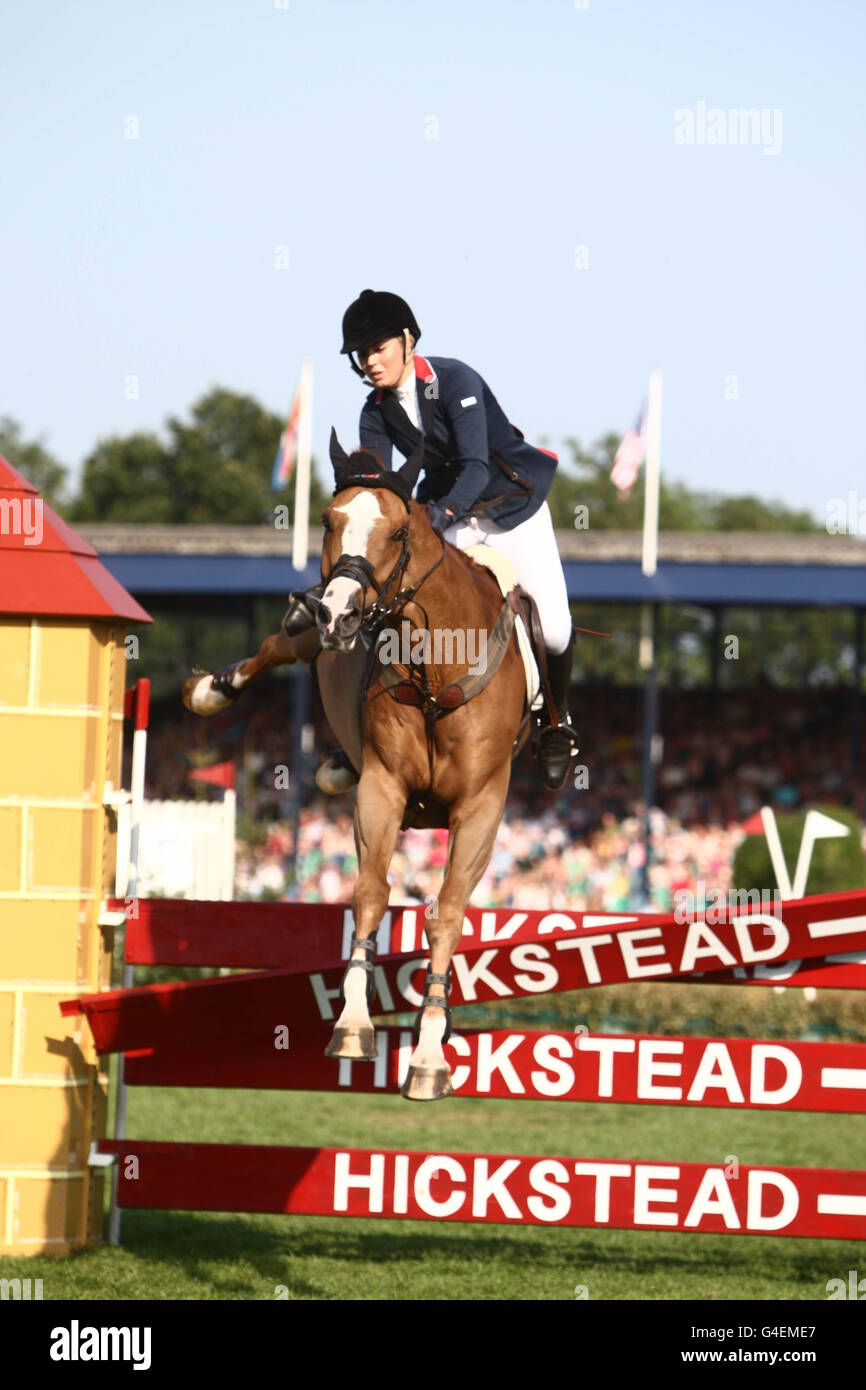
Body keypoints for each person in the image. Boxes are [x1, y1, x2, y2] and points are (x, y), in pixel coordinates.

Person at [286, 288, 578, 791]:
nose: (370, 361)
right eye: (362, 354)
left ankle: (555, 724)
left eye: (379, 348)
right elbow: (378, 488)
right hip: (448, 516)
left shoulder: (456, 380)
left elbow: (475, 466)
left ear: (407, 340)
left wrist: (435, 518)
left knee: (551, 629)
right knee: (393, 601)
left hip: (511, 507)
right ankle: (367, 731)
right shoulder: (374, 413)